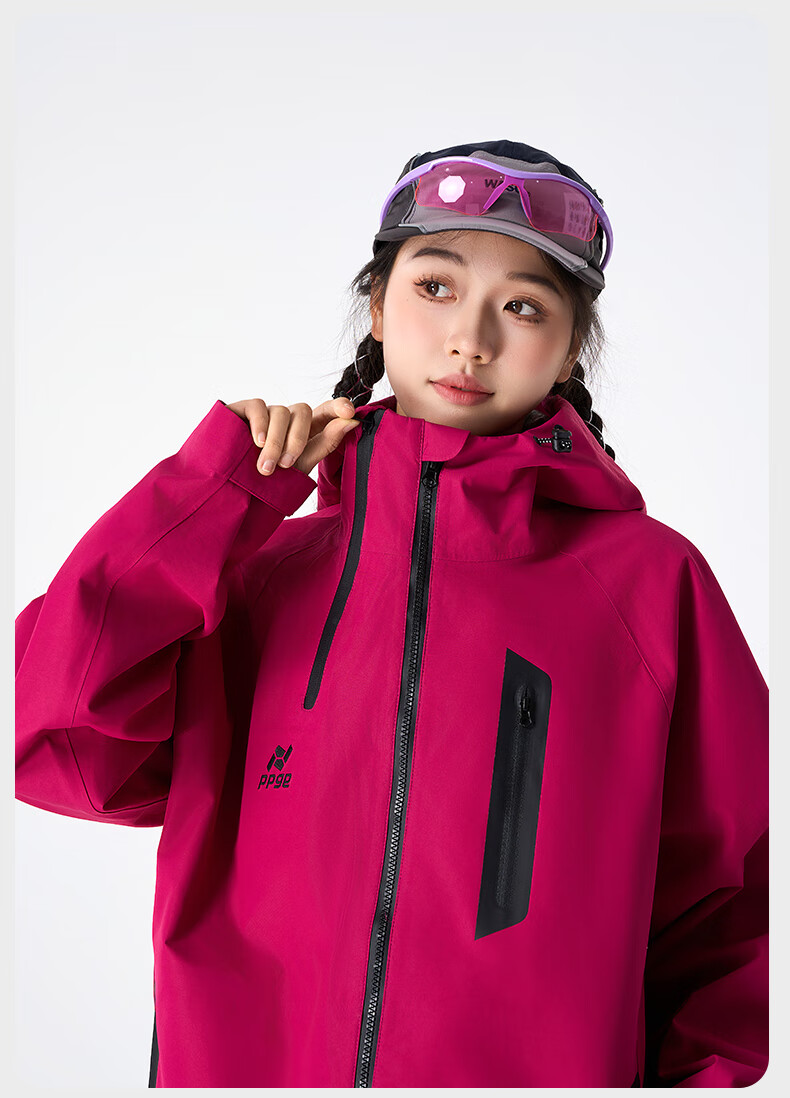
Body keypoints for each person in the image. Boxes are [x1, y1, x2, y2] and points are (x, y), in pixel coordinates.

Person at [15, 139, 768, 1088]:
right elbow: (60, 747)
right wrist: (211, 496)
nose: (471, 340)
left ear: (571, 347)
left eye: (524, 307)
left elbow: (729, 912)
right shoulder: (255, 576)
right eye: (436, 287)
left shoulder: (652, 588)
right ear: (376, 306)